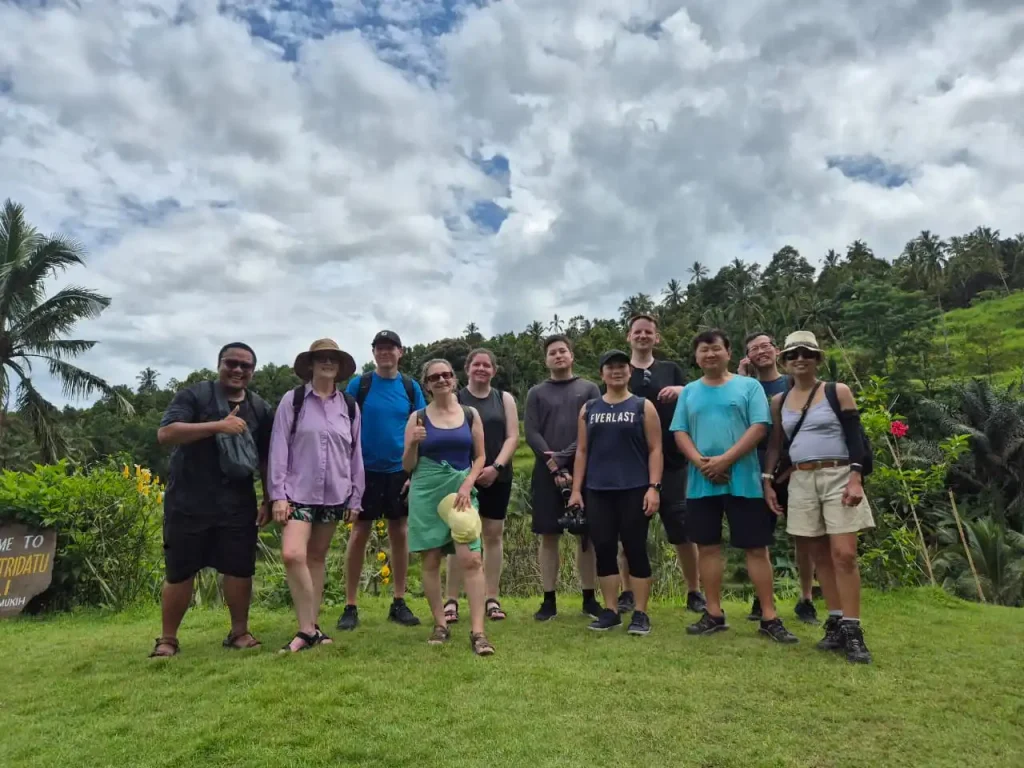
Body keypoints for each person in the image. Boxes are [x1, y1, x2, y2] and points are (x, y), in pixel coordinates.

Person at [670, 329, 798, 643]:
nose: (710, 355)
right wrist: (702, 463)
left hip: (744, 479)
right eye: (703, 350)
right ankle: (713, 612)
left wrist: (724, 460)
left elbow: (759, 427)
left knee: (756, 548)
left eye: (715, 348)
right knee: (707, 547)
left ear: (728, 352)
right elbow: (680, 432)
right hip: (701, 483)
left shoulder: (749, 386)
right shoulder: (689, 391)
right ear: (696, 357)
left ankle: (769, 616)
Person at [149, 342, 273, 657]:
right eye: (231, 363)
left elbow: (265, 459)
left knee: (240, 569)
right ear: (219, 365)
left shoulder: (259, 407)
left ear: (252, 372)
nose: (238, 370)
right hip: (188, 500)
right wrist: (219, 426)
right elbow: (166, 434)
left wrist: (269, 498)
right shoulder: (195, 396)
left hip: (237, 501)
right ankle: (167, 639)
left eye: (245, 366)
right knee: (180, 571)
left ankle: (239, 632)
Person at [764, 331, 874, 663]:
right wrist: (768, 480)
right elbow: (775, 445)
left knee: (844, 554)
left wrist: (856, 478)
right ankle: (836, 620)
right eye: (794, 354)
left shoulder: (835, 391)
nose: (800, 359)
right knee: (819, 554)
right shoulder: (779, 402)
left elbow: (856, 438)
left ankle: (853, 630)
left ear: (817, 358)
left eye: (807, 353)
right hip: (801, 478)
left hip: (838, 474)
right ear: (784, 361)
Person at [269, 339, 363, 652]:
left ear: (339, 368)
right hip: (297, 491)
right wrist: (277, 495)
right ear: (310, 365)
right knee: (293, 554)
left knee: (316, 558)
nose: (326, 363)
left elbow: (355, 453)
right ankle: (309, 628)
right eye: (320, 358)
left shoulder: (349, 406)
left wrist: (356, 496)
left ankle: (310, 629)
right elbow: (279, 446)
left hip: (336, 492)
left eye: (332, 359)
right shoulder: (293, 401)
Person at [403, 358, 494, 655]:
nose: (441, 380)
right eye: (434, 377)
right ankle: (440, 624)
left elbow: (480, 457)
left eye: (446, 375)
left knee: (472, 558)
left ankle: (478, 632)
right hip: (426, 491)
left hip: (460, 490)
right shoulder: (417, 417)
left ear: (454, 379)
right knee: (430, 560)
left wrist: (468, 484)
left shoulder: (470, 414)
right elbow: (408, 466)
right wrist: (413, 444)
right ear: (427, 385)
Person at [615, 314, 705, 615]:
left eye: (648, 332)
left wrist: (683, 390)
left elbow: (700, 397)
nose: (642, 336)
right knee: (629, 532)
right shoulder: (620, 371)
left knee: (682, 529)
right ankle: (627, 592)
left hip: (673, 462)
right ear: (629, 336)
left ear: (657, 338)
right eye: (637, 331)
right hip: (630, 463)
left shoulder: (671, 370)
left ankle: (694, 590)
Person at [568, 350, 663, 635]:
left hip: (634, 489)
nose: (616, 371)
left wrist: (653, 487)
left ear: (630, 372)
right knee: (605, 550)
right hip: (598, 490)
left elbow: (656, 449)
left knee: (635, 550)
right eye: (610, 367)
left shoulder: (643, 406)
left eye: (622, 366)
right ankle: (610, 610)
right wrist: (576, 490)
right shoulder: (590, 409)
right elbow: (582, 451)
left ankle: (641, 613)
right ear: (602, 374)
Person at [337, 330, 427, 631]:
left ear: (401, 352)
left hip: (399, 470)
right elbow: (344, 425)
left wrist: (415, 473)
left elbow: (422, 430)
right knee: (359, 533)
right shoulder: (359, 384)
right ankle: (350, 604)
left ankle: (399, 601)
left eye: (391, 348)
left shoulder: (410, 387)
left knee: (399, 532)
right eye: (380, 348)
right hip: (364, 471)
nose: (385, 353)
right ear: (373, 352)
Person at [740, 331, 818, 624]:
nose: (761, 352)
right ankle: (762, 600)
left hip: (794, 467)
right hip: (757, 468)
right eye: (753, 349)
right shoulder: (745, 387)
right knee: (760, 537)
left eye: (765, 346)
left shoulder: (792, 383)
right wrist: (741, 375)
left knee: (803, 535)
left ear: (777, 350)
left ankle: (806, 598)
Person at [525, 335, 602, 621]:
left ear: (572, 355)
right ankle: (548, 600)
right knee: (548, 536)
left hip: (585, 470)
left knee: (586, 537)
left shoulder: (589, 388)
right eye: (552, 353)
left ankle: (589, 598)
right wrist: (553, 464)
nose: (558, 356)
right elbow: (531, 432)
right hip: (546, 474)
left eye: (562, 351)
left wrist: (565, 457)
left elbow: (592, 428)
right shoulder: (536, 393)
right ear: (546, 360)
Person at [444, 349, 519, 623]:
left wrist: (496, 467)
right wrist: (470, 474)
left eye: (487, 365)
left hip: (497, 475)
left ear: (494, 371)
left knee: (493, 535)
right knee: (458, 536)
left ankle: (491, 598)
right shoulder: (456, 399)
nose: (482, 368)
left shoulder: (504, 399)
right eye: (477, 364)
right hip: (462, 477)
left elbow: (513, 436)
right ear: (467, 368)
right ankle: (451, 599)